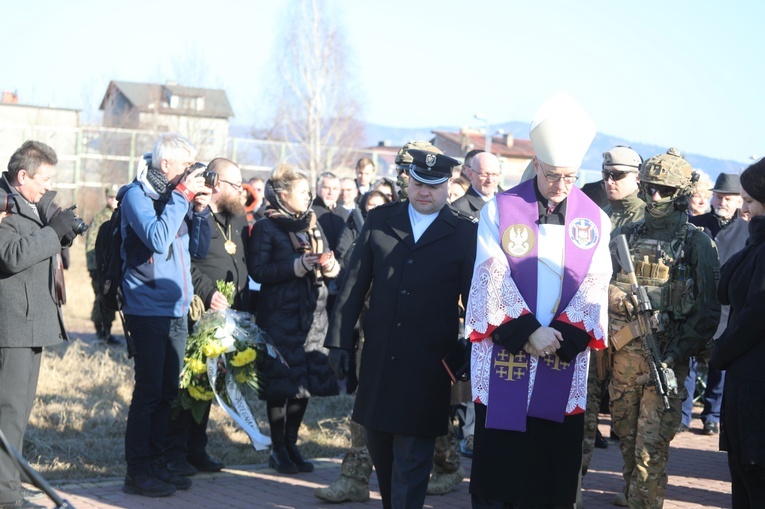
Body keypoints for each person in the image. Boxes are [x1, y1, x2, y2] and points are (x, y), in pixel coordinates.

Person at [465, 92, 612, 509]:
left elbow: (596, 285)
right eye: (552, 176)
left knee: (551, 472)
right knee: (503, 474)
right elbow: (489, 274)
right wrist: (529, 332)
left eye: (570, 177)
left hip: (562, 353)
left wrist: (560, 335)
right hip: (508, 350)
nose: (561, 187)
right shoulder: (500, 209)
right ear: (536, 164)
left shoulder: (595, 219)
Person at [325, 148, 477, 509]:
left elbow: (475, 301)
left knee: (412, 459)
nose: (425, 192)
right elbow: (352, 287)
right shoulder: (380, 221)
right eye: (418, 183)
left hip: (428, 365)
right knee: (381, 450)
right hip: (379, 358)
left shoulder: (463, 233)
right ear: (408, 181)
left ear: (448, 186)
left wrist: (470, 350)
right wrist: (340, 343)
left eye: (434, 186)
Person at [609, 147, 721, 508]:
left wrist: (675, 352)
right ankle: (633, 498)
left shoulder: (697, 243)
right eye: (650, 187)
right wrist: (618, 298)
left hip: (665, 362)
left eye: (664, 190)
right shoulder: (626, 235)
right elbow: (599, 283)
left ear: (682, 195)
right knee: (627, 443)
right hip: (623, 362)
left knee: (649, 452)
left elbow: (706, 312)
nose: (655, 196)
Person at [119, 133, 212, 497]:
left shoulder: (179, 199)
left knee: (168, 391)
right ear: (166, 165)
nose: (191, 173)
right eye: (187, 166)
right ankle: (137, 471)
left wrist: (200, 212)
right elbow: (157, 239)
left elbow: (198, 250)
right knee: (148, 392)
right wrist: (181, 198)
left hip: (176, 308)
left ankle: (158, 464)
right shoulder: (136, 196)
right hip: (145, 307)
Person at [0, 141, 80, 508]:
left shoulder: (28, 204)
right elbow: (12, 256)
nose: (48, 186)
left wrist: (60, 232)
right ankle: (6, 498)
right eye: (43, 179)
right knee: (8, 415)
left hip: (30, 325)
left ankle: (9, 488)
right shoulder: (2, 205)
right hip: (11, 327)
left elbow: (49, 256)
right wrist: (52, 232)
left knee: (18, 413)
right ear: (22, 176)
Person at [247, 164, 339, 475]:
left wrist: (327, 264)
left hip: (313, 313)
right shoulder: (266, 227)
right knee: (280, 384)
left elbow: (327, 255)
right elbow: (258, 271)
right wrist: (295, 266)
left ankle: (291, 442)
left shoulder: (312, 222)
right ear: (283, 196)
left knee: (305, 382)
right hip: (279, 316)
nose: (308, 197)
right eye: (302, 192)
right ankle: (278, 449)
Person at [165, 158, 251, 477]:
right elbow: (185, 264)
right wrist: (207, 292)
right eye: (235, 185)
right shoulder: (193, 214)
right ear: (217, 184)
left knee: (209, 384)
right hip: (197, 311)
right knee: (188, 386)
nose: (240, 192)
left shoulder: (236, 219)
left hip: (226, 316)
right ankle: (174, 452)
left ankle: (195, 449)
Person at [581, 146, 644, 506]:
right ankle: (572, 484)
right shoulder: (595, 210)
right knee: (585, 411)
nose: (609, 181)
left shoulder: (645, 219)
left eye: (618, 175)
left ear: (636, 177)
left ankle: (632, 487)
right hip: (593, 325)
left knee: (627, 417)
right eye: (606, 174)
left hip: (626, 333)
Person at [710, 159, 765, 508]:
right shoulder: (754, 243)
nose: (743, 209)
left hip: (757, 391)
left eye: (749, 201)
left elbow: (754, 317)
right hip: (748, 386)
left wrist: (719, 352)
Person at [681, 173, 748, 435]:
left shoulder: (747, 231)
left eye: (728, 197)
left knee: (719, 367)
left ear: (738, 201)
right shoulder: (695, 224)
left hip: (727, 312)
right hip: (694, 307)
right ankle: (683, 417)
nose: (721, 201)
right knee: (687, 364)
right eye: (718, 195)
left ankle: (712, 416)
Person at [85, 184, 120, 345]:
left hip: (110, 266)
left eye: (115, 196)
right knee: (101, 298)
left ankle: (107, 331)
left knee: (109, 297)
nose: (113, 200)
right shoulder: (100, 217)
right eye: (110, 197)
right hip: (100, 267)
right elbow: (91, 244)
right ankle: (100, 332)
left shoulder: (119, 214)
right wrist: (93, 268)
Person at [452, 152, 503, 218]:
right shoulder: (459, 209)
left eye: (494, 175)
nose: (490, 180)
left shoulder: (507, 203)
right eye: (484, 175)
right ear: (471, 174)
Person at [312, 171, 349, 252]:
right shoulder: (309, 212)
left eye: (335, 189)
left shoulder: (345, 213)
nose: (331, 192)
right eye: (326, 188)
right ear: (317, 188)